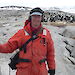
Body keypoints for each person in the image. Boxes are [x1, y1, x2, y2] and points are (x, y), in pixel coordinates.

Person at [0, 7, 56, 75]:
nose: (36, 19)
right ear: (30, 18)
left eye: (38, 16)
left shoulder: (46, 33)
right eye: (34, 16)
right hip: (24, 72)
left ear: (42, 18)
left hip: (41, 72)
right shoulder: (22, 33)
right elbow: (9, 47)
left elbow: (50, 53)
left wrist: (52, 68)